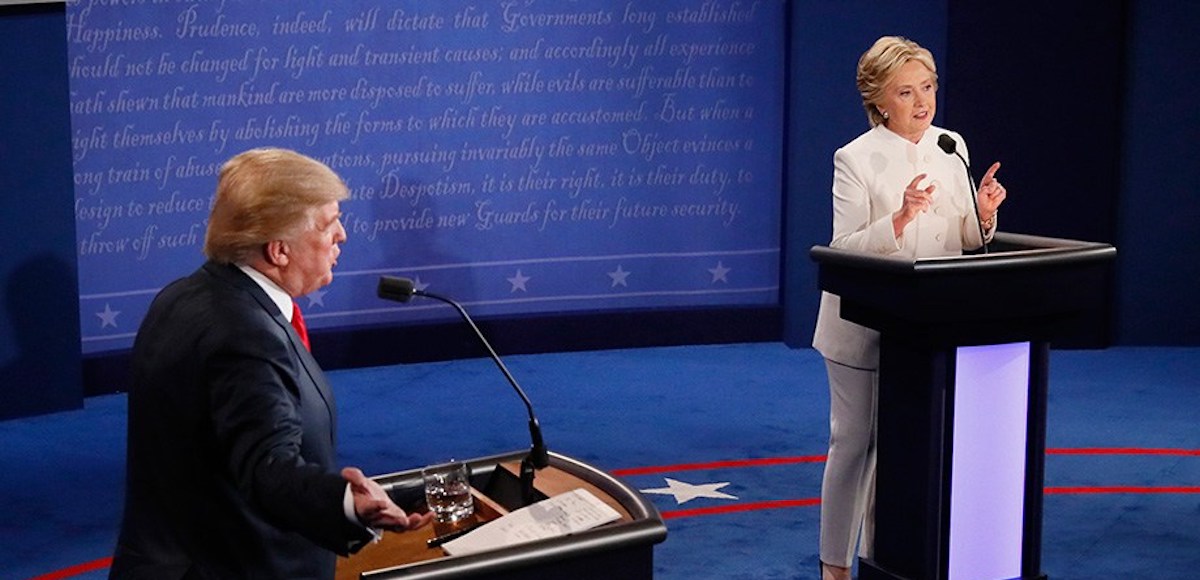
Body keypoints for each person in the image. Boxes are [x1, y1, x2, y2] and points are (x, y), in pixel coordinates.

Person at [110, 148, 432, 579]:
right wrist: (347, 504)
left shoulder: (183, 297)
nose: (342, 236)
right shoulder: (246, 334)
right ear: (279, 250)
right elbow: (267, 468)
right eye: (328, 223)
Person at [812, 36, 1008, 580]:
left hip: (927, 330)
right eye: (906, 91)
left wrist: (984, 214)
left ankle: (884, 562)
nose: (922, 102)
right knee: (855, 445)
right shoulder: (854, 158)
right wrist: (896, 221)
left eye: (928, 87)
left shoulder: (952, 146)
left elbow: (966, 240)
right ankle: (835, 568)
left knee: (905, 452)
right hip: (862, 327)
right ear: (879, 100)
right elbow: (842, 247)